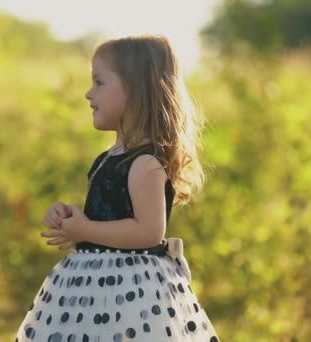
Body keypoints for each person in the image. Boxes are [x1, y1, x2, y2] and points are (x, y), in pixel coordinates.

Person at [15, 34, 220, 342]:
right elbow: (108, 214)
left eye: (99, 83)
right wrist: (72, 217)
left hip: (134, 287)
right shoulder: (108, 158)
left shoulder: (145, 163)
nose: (88, 93)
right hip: (93, 284)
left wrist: (85, 231)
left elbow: (149, 232)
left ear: (136, 91)